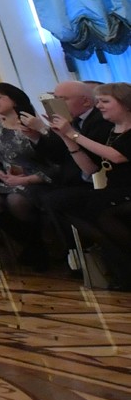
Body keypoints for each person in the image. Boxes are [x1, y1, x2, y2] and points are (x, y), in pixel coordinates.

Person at [0, 83, 66, 267]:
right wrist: (0, 173)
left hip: (39, 179)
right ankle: (33, 243)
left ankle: (40, 243)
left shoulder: (33, 125)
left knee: (16, 200)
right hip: (10, 180)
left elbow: (54, 163)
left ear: (14, 99)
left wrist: (25, 179)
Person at [51, 81, 131, 290]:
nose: (99, 106)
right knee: (71, 205)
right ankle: (121, 268)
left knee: (98, 210)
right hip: (116, 190)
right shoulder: (113, 130)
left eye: (105, 101)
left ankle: (124, 270)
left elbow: (116, 156)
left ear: (125, 103)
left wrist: (73, 134)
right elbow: (90, 169)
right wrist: (66, 139)